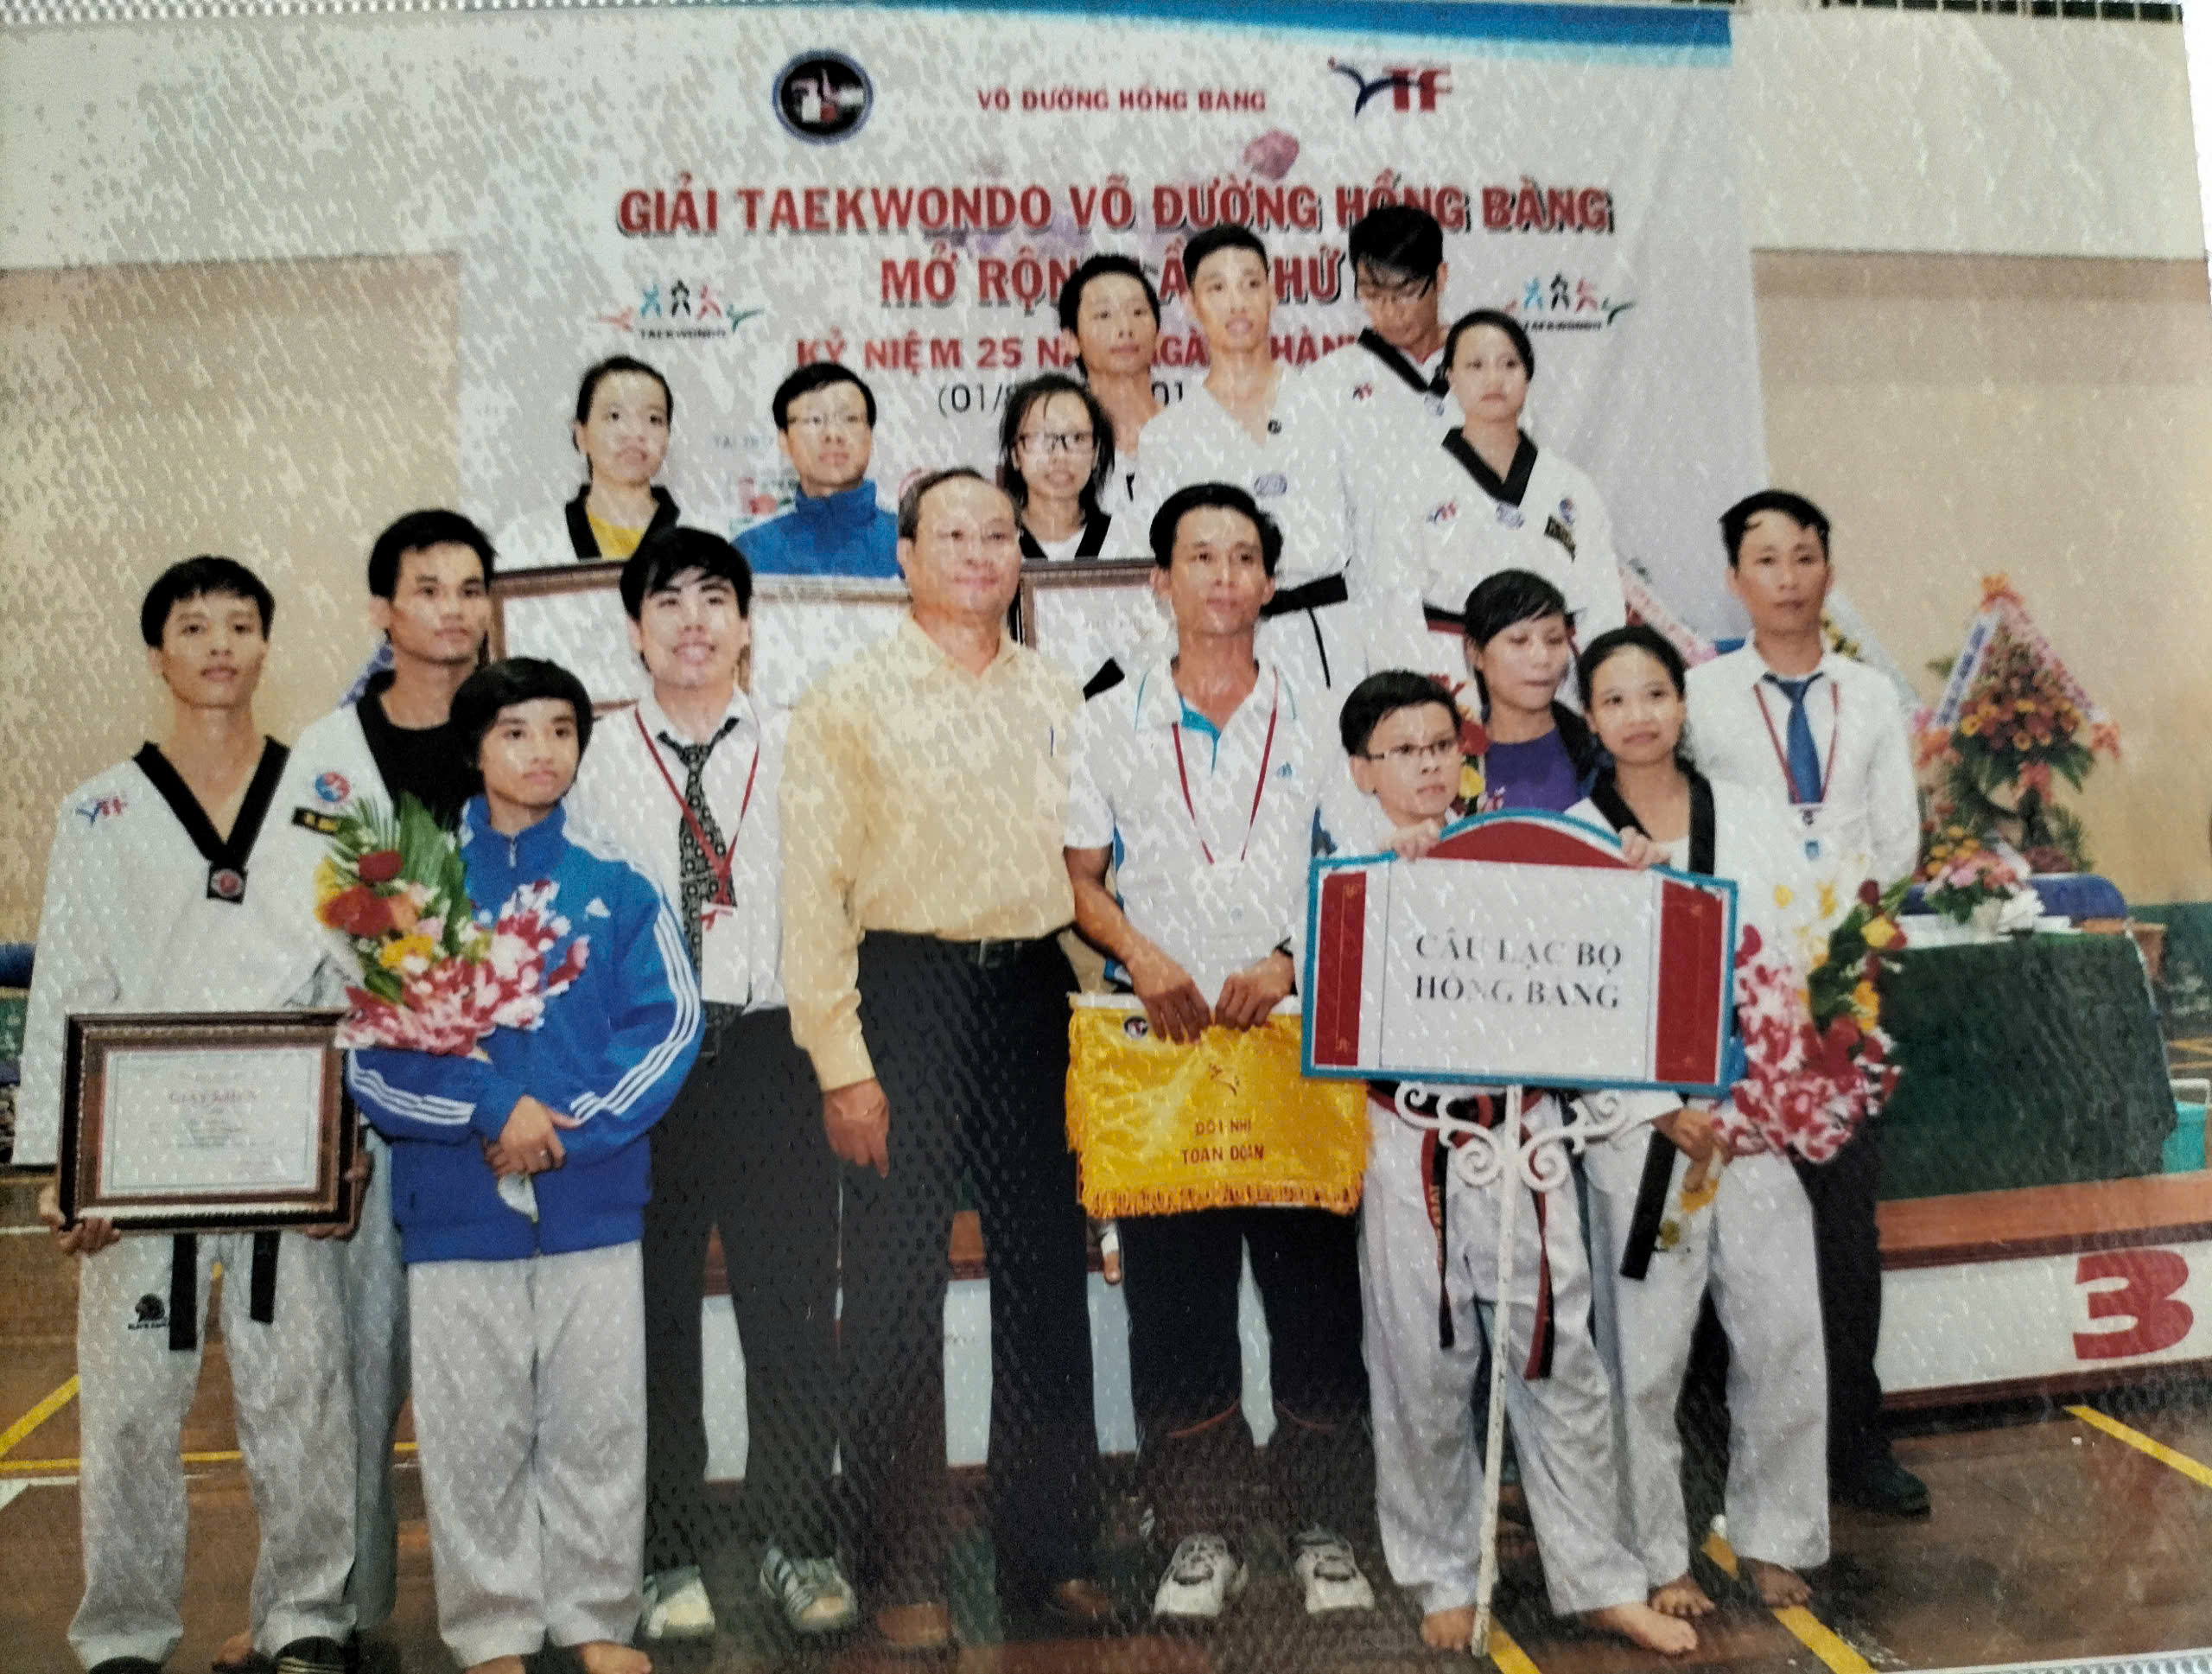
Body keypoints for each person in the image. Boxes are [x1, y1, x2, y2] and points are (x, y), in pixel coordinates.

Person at [780, 469, 1107, 1651]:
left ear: (1021, 556)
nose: (978, 551)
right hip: (904, 996)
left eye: (998, 533)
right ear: (906, 556)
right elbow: (811, 896)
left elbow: (1080, 872)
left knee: (1045, 1281)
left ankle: (1051, 1553)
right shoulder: (846, 700)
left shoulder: (1056, 691)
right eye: (952, 533)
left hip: (1029, 997)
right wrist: (841, 1061)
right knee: (893, 1290)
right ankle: (901, 1562)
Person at [22, 557, 357, 1674]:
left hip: (287, 1148)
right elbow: (68, 986)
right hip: (138, 1157)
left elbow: (357, 982)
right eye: (194, 625)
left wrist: (345, 1152)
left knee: (301, 1391)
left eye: (240, 624)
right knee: (126, 1409)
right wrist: (66, 1166)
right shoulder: (98, 810)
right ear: (157, 653)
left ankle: (307, 1615)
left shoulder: (325, 799)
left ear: (266, 645)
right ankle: (123, 1629)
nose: (219, 644)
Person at [345, 658, 702, 1674]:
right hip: (456, 1206)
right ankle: (492, 1627)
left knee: (597, 1421)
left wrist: (569, 1131)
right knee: (472, 1431)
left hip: (593, 1199)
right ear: (473, 748)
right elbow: (374, 1059)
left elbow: (669, 1024)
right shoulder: (412, 892)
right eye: (514, 731)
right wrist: (493, 1105)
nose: (540, 750)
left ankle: (594, 1615)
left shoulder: (616, 882)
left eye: (559, 729)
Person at [1327, 670, 1694, 1658]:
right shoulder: (1347, 870)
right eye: (1402, 750)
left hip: (1523, 1136)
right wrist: (1396, 878)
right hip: (1409, 1139)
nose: (1427, 766)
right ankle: (1442, 1571)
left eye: (1440, 745)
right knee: (1420, 1365)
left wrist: (1622, 873)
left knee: (1560, 1356)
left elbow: (1607, 960)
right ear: (1362, 768)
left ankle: (1600, 1578)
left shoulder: (1525, 848)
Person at [1064, 482, 1374, 1623]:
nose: (1225, 576)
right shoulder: (1106, 719)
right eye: (1201, 556)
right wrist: (1142, 955)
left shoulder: (1322, 715)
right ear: (1161, 581)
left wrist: (1292, 961)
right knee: (1176, 1302)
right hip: (1166, 1044)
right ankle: (1199, 1531)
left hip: (1292, 1045)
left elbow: (1359, 866)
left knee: (1314, 1299)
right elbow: (1078, 879)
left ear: (1271, 582)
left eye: (1244, 556)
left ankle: (1322, 1527)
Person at [564, 529, 849, 1643]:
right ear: (635, 629)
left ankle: (796, 1539)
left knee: (790, 1311)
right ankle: (665, 1549)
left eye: (715, 598)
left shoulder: (802, 740)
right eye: (668, 600)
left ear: (746, 623)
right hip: (643, 1062)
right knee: (650, 1316)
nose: (693, 619)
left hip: (773, 1054)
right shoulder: (589, 756)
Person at [231, 509, 495, 1673]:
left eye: (470, 587)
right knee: (352, 1361)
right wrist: (332, 1096)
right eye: (427, 588)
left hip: (497, 1091)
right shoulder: (331, 751)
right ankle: (327, 1602)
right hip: (372, 1091)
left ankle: (511, 1602)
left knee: (488, 1363)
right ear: (383, 610)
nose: (452, 608)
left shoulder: (518, 725)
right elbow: (307, 917)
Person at [1569, 625, 1831, 1617]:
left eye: (1654, 693)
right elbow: (1574, 1002)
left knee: (1781, 1332)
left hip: (1749, 1121)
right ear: (1589, 716)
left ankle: (1774, 1534)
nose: (1638, 715)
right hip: (1641, 1136)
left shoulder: (1750, 815)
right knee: (1644, 1358)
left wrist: (1765, 1089)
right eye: (1614, 698)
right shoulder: (1575, 835)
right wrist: (1659, 1106)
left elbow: (1794, 963)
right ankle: (1657, 1554)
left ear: (1682, 703)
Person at [1683, 490, 1928, 1518]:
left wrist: (1839, 949)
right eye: (1765, 559)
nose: (1786, 577)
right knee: (1722, 1219)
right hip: (1733, 990)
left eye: (1803, 556)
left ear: (1828, 569)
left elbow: (1896, 839)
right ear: (1733, 579)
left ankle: (1854, 1441)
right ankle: (1719, 1444)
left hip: (1838, 988)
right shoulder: (1698, 695)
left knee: (1843, 1226)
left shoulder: (1867, 695)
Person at [1130, 225, 1360, 696]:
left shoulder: (1332, 406)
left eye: (1251, 284)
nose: (1237, 303)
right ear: (1191, 305)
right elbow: (1161, 569)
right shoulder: (1168, 435)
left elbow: (1373, 543)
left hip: (1330, 636)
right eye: (1217, 288)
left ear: (1273, 295)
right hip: (1220, 643)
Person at [1376, 309, 1625, 683]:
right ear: (1450, 377)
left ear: (1528, 376)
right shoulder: (1413, 483)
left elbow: (1601, 599)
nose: (1493, 379)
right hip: (1450, 667)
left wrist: (1601, 680)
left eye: (1508, 364)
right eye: (1475, 365)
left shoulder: (1571, 486)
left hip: (1554, 671)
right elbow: (1395, 603)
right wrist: (1422, 685)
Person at [1308, 205, 1462, 582]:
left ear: (1441, 278)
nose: (1390, 311)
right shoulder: (1329, 381)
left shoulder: (1488, 369)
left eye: (1406, 292)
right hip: (1372, 596)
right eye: (1372, 294)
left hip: (1472, 594)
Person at [498, 356, 682, 568]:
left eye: (653, 419)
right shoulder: (526, 540)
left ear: (668, 437)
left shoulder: (704, 532)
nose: (635, 432)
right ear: (581, 436)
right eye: (615, 416)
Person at [1452, 570, 1604, 814]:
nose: (1542, 658)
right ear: (1475, 652)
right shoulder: (1449, 759)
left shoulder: (1600, 753)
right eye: (1519, 641)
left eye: (1554, 640)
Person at [735, 363, 899, 577]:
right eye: (814, 420)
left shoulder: (913, 546)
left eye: (849, 419)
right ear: (784, 440)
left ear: (870, 436)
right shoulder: (749, 552)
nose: (833, 434)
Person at [1056, 253, 1163, 513]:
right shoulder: (1056, 450)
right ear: (1071, 341)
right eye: (1104, 315)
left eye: (1138, 312)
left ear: (1159, 335)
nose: (1125, 328)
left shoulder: (1193, 435)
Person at [997, 372, 1133, 561]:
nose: (1060, 456)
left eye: (1077, 438)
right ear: (1015, 455)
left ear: (1095, 453)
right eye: (1041, 438)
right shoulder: (994, 543)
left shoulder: (1130, 540)